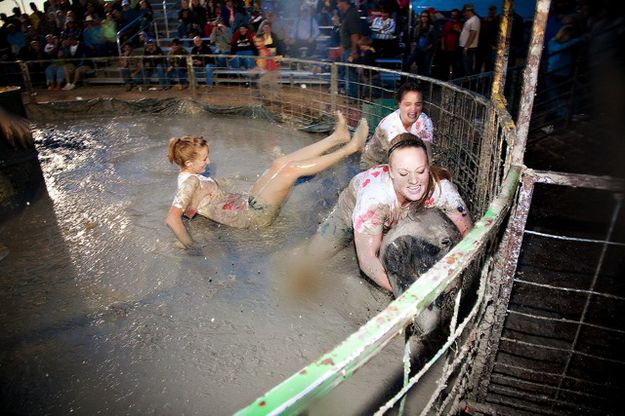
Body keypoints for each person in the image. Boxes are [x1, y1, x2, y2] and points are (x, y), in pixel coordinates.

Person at [165, 112, 369, 250]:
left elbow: (193, 207)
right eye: (204, 159)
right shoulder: (188, 184)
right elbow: (172, 218)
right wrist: (190, 245)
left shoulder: (189, 176)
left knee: (279, 163)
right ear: (189, 163)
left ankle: (337, 137)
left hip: (247, 202)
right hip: (253, 216)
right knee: (290, 170)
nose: (208, 161)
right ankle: (350, 148)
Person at [304, 133, 473, 292]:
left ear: (428, 167)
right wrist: (405, 295)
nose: (414, 181)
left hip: (404, 218)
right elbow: (367, 259)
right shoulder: (375, 199)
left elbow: (469, 236)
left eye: (420, 171)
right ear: (390, 171)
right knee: (311, 260)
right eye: (404, 173)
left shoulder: (442, 191)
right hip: (353, 206)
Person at [360, 81, 433, 169]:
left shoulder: (424, 120)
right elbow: (398, 163)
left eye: (418, 104)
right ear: (399, 104)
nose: (413, 109)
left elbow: (427, 155)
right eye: (407, 104)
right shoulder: (389, 127)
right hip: (375, 164)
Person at [459, 3, 481, 76]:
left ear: (468, 11)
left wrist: (466, 47)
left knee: (467, 67)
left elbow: (473, 34)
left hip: (469, 47)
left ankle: (468, 85)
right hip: (466, 46)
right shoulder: (470, 20)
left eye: (464, 12)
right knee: (464, 66)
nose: (464, 14)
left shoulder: (475, 19)